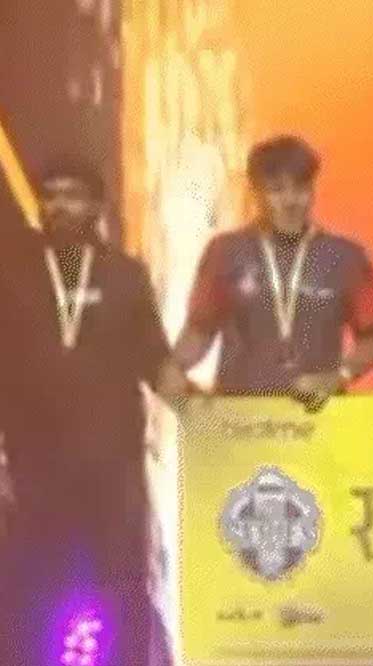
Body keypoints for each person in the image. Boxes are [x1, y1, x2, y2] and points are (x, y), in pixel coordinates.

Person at [0, 162, 185, 666]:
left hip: (111, 464)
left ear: (98, 207)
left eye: (73, 196)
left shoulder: (126, 275)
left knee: (120, 581)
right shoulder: (10, 272)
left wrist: (202, 409)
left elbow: (155, 358)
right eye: (50, 196)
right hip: (35, 462)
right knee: (32, 584)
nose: (59, 206)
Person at [173, 136, 373, 409]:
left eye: (301, 189)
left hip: (319, 416)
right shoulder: (225, 252)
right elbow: (199, 330)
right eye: (276, 190)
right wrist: (171, 371)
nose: (290, 201)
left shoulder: (345, 256)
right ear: (255, 193)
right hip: (241, 416)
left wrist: (340, 375)